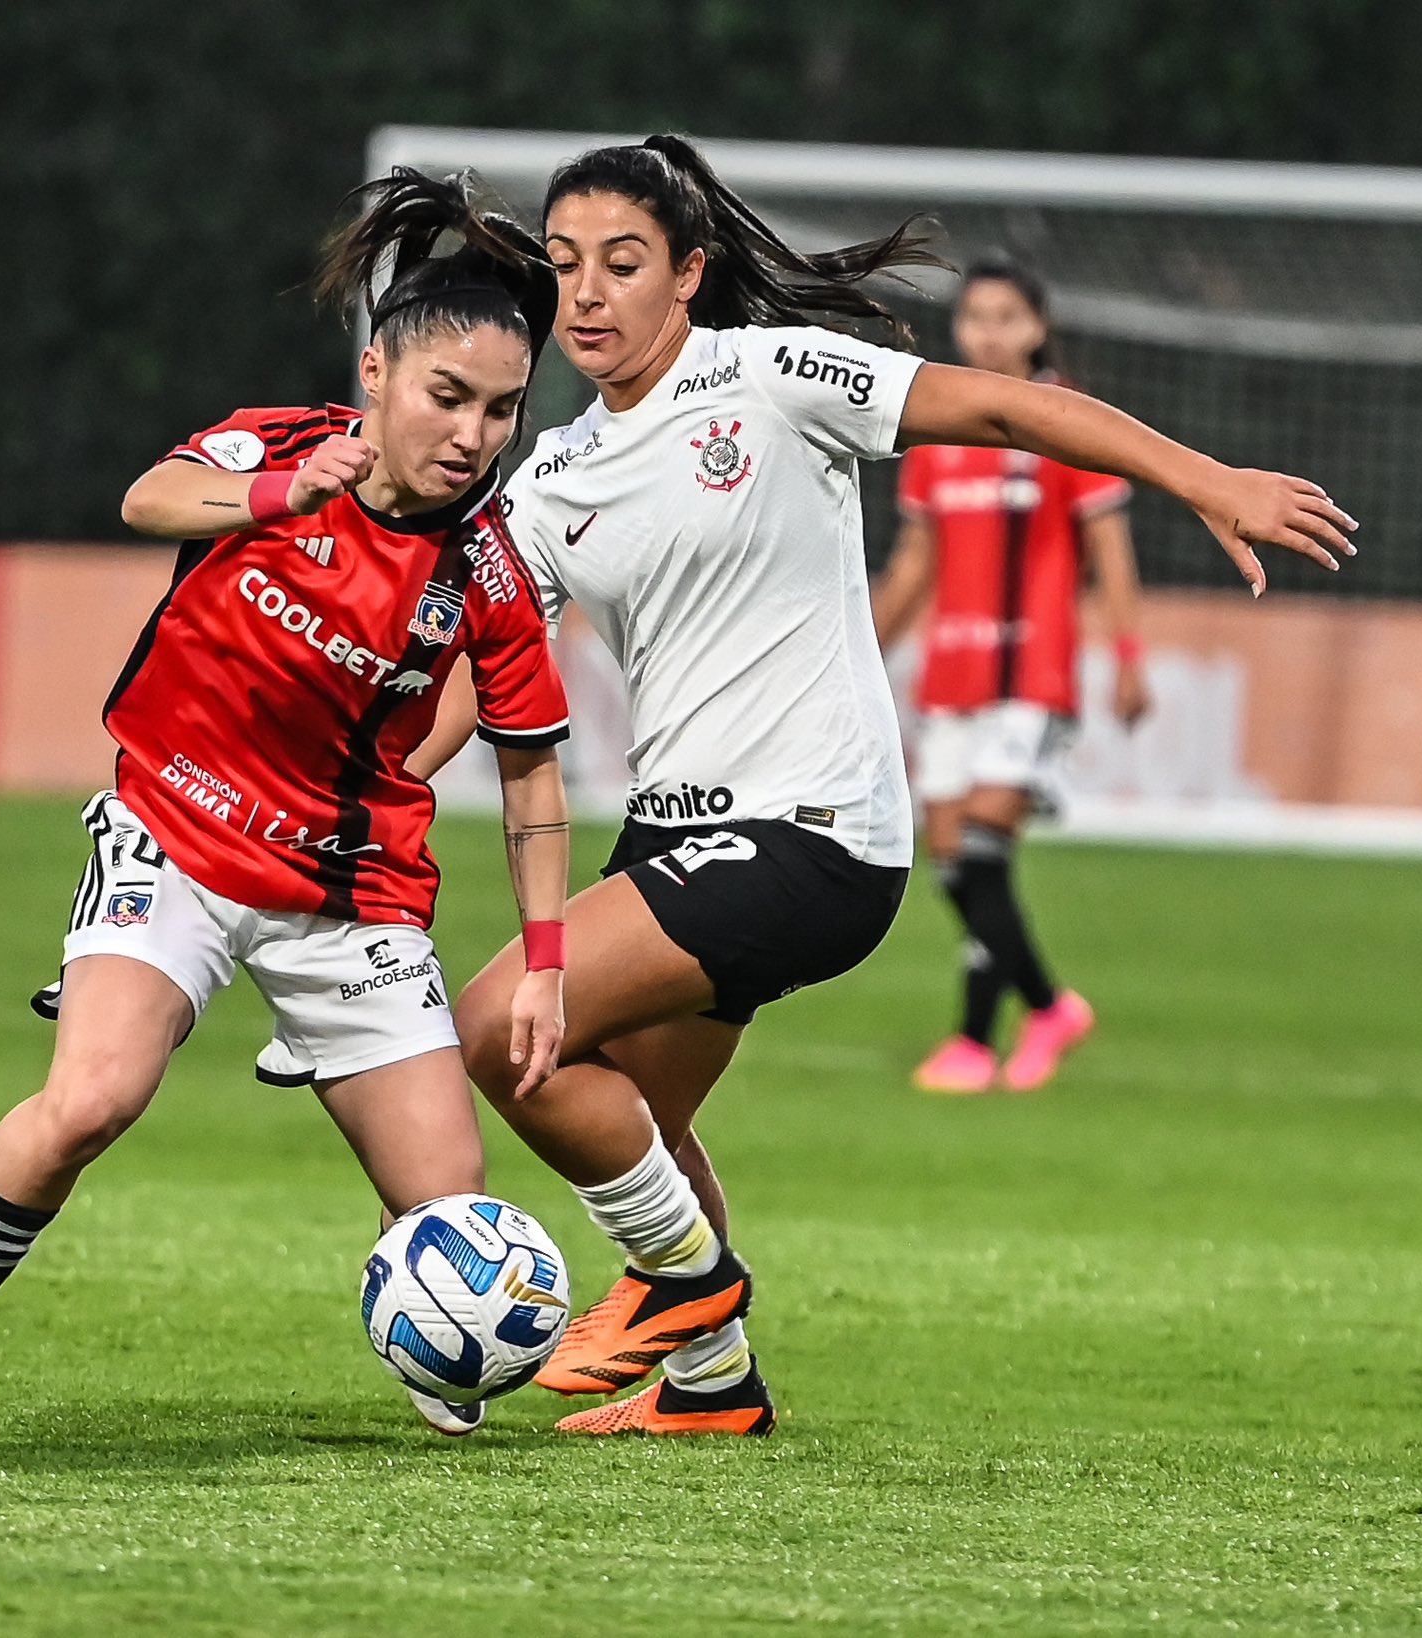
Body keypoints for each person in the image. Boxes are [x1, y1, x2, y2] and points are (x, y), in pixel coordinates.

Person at [427, 135, 1353, 1436]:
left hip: (811, 830)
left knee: (496, 1027)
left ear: (689, 273)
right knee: (630, 1113)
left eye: (623, 262)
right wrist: (365, 769)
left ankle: (683, 1290)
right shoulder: (557, 476)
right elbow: (476, 668)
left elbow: (1008, 409)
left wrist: (1211, 483)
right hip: (673, 838)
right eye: (568, 265)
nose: (587, 293)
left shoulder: (775, 378)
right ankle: (711, 1386)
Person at [0, 169, 577, 1448]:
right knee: (93, 1099)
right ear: (376, 375)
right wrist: (278, 498)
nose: (472, 434)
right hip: (175, 836)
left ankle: (428, 1320)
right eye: (446, 397)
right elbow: (146, 500)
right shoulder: (281, 449)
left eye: (501, 410)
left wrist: (542, 959)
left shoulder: (488, 571)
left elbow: (529, 770)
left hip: (347, 890)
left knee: (447, 1206)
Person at [872, 257, 1151, 1093]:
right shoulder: (939, 433)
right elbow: (916, 560)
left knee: (984, 843)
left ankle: (974, 1036)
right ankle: (1038, 1011)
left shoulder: (1069, 423)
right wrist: (863, 651)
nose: (987, 332)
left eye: (1006, 317)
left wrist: (1129, 657)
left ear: (1037, 327)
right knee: (958, 858)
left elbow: (1109, 549)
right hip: (953, 675)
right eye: (975, 317)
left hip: (1032, 672)